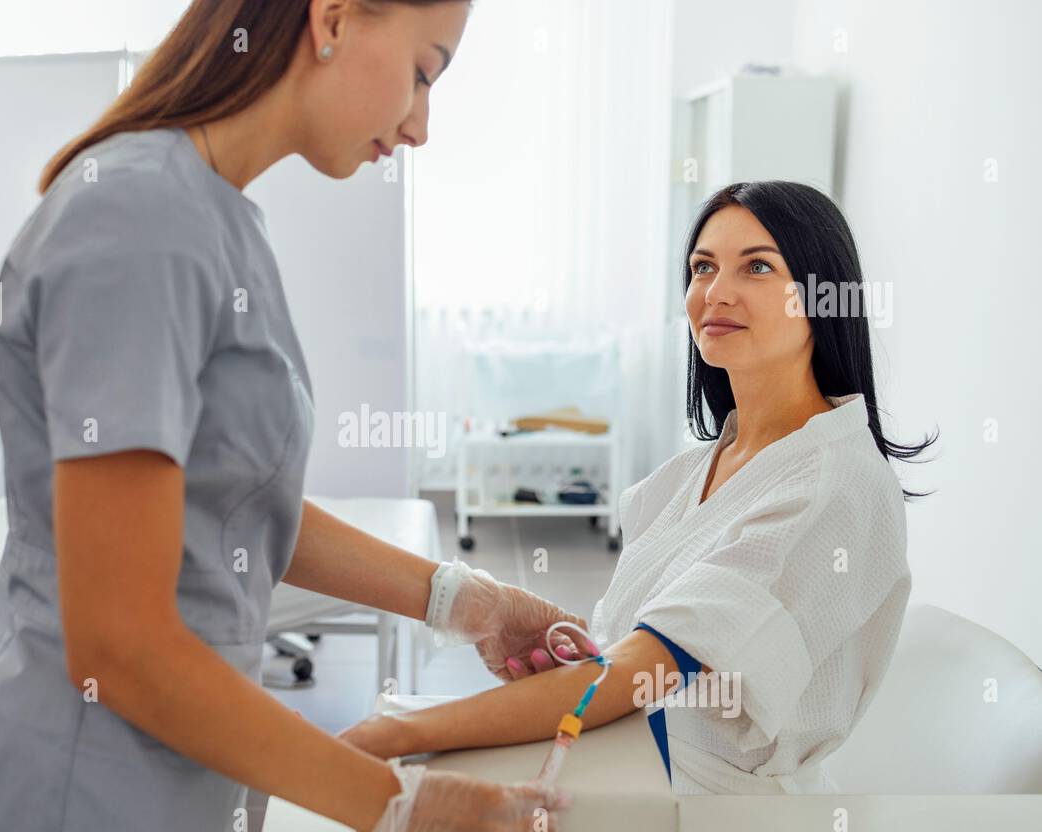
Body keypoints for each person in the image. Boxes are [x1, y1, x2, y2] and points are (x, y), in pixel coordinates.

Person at [0, 0, 590, 832]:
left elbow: (232, 507)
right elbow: (119, 643)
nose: (420, 125)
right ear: (334, 18)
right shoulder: (138, 217)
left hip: (167, 783)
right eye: (423, 72)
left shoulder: (217, 216)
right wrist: (399, 807)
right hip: (68, 799)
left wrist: (470, 603)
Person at [342, 182, 937, 796]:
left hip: (719, 812)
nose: (716, 292)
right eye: (702, 267)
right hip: (629, 754)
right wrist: (584, 659)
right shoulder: (697, 470)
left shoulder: (828, 487)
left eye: (758, 266)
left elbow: (639, 673)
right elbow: (641, 655)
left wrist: (398, 733)